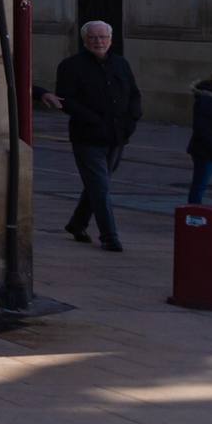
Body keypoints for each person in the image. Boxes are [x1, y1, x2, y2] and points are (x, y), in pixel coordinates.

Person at [54, 20, 141, 252]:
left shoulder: (121, 64)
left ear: (111, 40)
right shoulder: (70, 66)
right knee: (100, 187)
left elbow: (134, 94)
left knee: (97, 185)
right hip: (87, 137)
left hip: (117, 137)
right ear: (85, 40)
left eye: (103, 37)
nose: (98, 41)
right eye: (93, 37)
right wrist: (92, 119)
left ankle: (77, 223)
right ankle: (109, 236)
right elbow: (66, 101)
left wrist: (131, 122)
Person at [189, 68, 212, 206]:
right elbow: (203, 130)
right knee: (199, 185)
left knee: (199, 184)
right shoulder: (206, 100)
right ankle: (193, 213)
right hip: (205, 152)